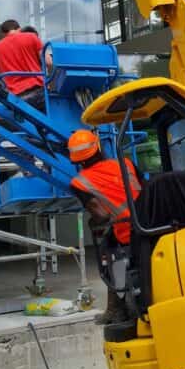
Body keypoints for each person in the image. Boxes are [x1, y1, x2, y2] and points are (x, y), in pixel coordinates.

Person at [67, 129, 141, 325]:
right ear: (97, 146)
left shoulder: (79, 182)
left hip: (126, 231)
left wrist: (93, 222)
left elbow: (101, 215)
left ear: (75, 159)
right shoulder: (125, 163)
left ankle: (117, 309)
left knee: (108, 255)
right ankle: (117, 307)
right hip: (149, 221)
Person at [0, 19, 45, 107]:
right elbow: (48, 62)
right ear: (19, 28)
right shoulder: (31, 36)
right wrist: (50, 83)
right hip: (38, 90)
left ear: (3, 33)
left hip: (16, 98)